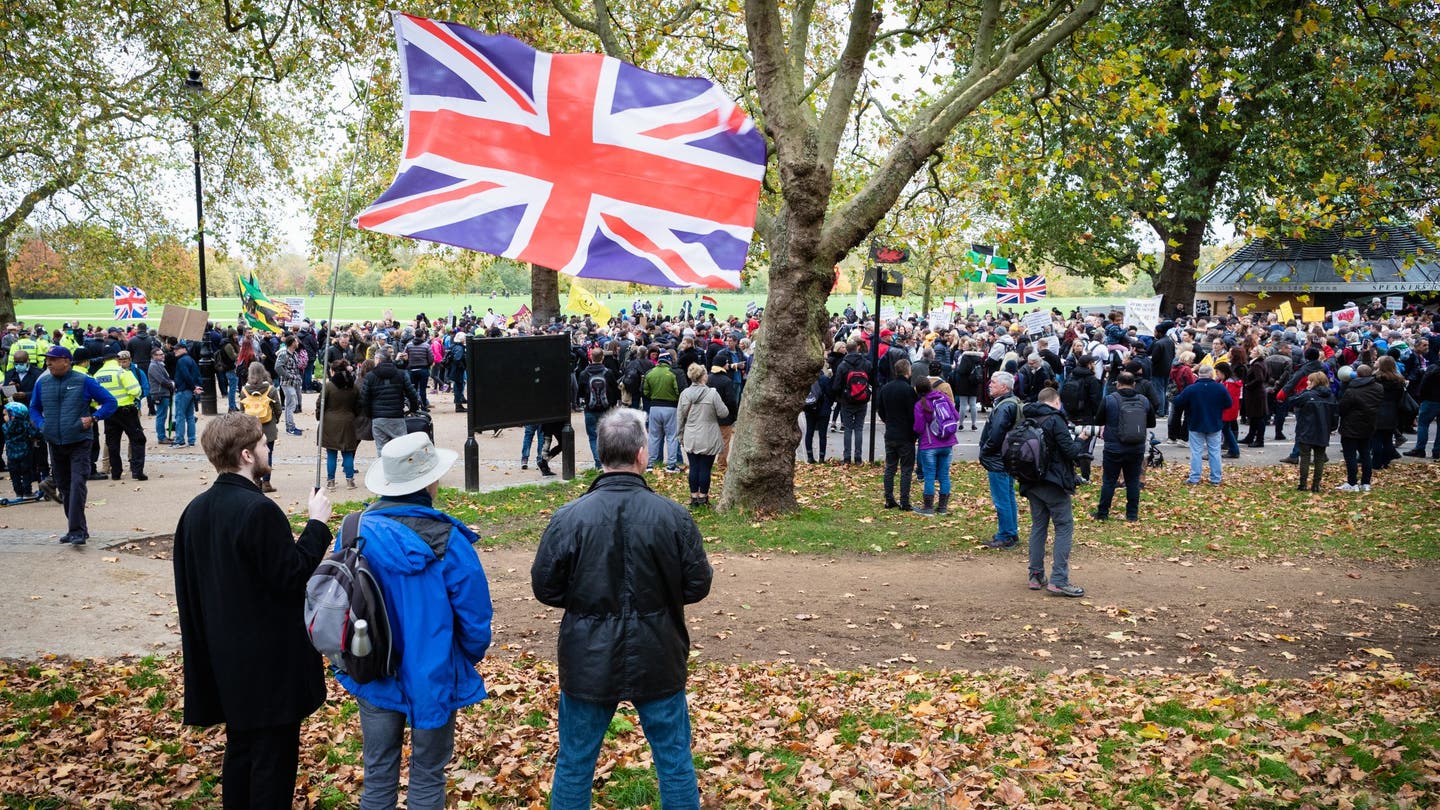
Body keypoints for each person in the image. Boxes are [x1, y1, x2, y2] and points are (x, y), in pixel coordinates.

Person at [531, 409, 712, 810]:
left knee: (576, 762)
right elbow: (696, 583)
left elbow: (547, 586)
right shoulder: (674, 517)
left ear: (600, 452)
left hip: (590, 655)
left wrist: (585, 600)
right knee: (674, 760)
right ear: (642, 455)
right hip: (656, 651)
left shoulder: (570, 518)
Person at [172, 413, 333, 809]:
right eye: (262, 444)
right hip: (268, 666)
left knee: (241, 752)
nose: (266, 449)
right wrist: (317, 524)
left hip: (224, 659)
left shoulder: (195, 511)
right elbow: (291, 575)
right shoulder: (258, 510)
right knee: (271, 765)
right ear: (247, 454)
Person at [336, 431, 493, 810]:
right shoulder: (449, 540)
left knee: (377, 772)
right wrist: (461, 658)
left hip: (372, 664)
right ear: (429, 481)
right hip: (434, 673)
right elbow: (475, 619)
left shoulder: (354, 529)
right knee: (427, 773)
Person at [29, 345, 117, 545]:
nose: (48, 362)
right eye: (47, 359)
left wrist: (94, 418)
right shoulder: (42, 383)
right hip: (55, 442)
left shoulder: (84, 381)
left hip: (79, 441)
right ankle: (78, 530)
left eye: (53, 359)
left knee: (77, 484)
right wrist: (42, 425)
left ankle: (76, 531)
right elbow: (34, 408)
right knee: (65, 487)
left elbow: (110, 402)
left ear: (66, 361)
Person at [1019, 387, 1084, 596]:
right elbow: (1071, 451)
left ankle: (1035, 574)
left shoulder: (1028, 418)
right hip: (1053, 481)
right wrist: (1082, 438)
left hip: (1031, 480)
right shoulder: (1055, 420)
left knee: (1039, 525)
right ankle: (1059, 579)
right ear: (1056, 402)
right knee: (1064, 526)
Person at [1090, 371, 1155, 521]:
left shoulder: (1109, 400)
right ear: (1134, 385)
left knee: (1109, 481)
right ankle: (1132, 514)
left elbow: (1098, 420)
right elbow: (1151, 423)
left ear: (1118, 384)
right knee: (1133, 481)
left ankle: (1103, 513)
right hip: (1136, 447)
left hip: (1114, 447)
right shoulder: (1144, 401)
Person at [978, 371, 1022, 549]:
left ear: (1004, 387)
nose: (990, 384)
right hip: (1007, 457)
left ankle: (1006, 535)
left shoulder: (1004, 406)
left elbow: (996, 435)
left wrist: (985, 451)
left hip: (999, 459)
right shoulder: (1011, 402)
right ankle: (1010, 532)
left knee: (1002, 497)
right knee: (1008, 495)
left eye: (993, 382)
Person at [676, 363, 729, 507]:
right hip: (709, 434)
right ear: (702, 377)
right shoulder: (712, 393)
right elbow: (724, 412)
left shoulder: (685, 394)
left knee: (694, 467)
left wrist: (680, 434)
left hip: (691, 433)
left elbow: (680, 416)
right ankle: (703, 497)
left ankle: (693, 497)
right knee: (705, 467)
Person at [93, 349, 148, 481]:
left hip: (109, 412)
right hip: (126, 410)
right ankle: (137, 471)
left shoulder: (97, 375)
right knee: (138, 439)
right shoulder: (122, 372)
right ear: (116, 359)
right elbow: (135, 391)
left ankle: (116, 472)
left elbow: (94, 398)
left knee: (112, 443)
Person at [1171, 363, 1231, 485]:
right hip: (1214, 422)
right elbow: (1228, 403)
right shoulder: (1220, 388)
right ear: (1211, 374)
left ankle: (1194, 477)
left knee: (1196, 452)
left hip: (1195, 422)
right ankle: (1215, 478)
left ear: (1199, 375)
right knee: (1214, 452)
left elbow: (1177, 401)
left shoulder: (1191, 389)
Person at [911, 374, 958, 515]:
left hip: (929, 444)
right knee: (944, 475)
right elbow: (955, 415)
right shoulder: (943, 397)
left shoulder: (920, 405)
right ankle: (943, 507)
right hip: (947, 442)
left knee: (929, 475)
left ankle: (928, 507)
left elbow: (919, 428)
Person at [358, 348, 421, 454]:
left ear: (378, 359)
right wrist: (413, 408)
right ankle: (399, 469)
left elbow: (365, 399)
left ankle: (384, 469)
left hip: (378, 417)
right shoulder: (401, 374)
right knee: (401, 449)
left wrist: (370, 414)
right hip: (396, 416)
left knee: (381, 450)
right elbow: (412, 394)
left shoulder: (370, 376)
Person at [875, 357, 918, 511]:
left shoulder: (886, 388)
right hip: (905, 434)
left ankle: (889, 498)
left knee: (890, 467)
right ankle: (904, 501)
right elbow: (913, 414)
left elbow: (880, 409)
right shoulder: (908, 390)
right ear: (908, 371)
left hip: (891, 432)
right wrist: (914, 433)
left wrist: (888, 420)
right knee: (906, 469)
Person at [1287, 371, 1338, 492]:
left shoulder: (1307, 395)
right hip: (1323, 430)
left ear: (1314, 382)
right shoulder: (1331, 396)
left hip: (1306, 429)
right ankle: (1316, 484)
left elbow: (1292, 401)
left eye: (1309, 381)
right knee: (1319, 458)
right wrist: (1331, 428)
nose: (1307, 382)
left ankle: (1303, 483)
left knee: (1305, 457)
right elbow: (1335, 415)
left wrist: (1305, 391)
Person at [1338, 363, 1383, 492]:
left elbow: (1342, 408)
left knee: (1350, 455)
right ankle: (1365, 483)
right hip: (1369, 424)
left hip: (1351, 425)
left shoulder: (1352, 391)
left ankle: (1352, 482)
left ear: (1357, 375)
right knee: (1365, 454)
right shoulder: (1378, 388)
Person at [317, 360, 361, 490]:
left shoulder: (329, 386)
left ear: (333, 371)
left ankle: (331, 481)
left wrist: (319, 416)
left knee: (331, 453)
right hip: (348, 420)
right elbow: (358, 405)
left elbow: (320, 403)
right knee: (348, 453)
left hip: (330, 421)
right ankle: (350, 480)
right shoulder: (353, 386)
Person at [241, 364, 283, 493]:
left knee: (252, 454)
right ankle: (266, 482)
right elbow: (278, 409)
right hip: (268, 426)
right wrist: (275, 419)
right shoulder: (271, 389)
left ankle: (256, 480)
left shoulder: (244, 390)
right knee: (268, 453)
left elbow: (242, 410)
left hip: (251, 427)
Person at [830, 339, 872, 464]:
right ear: (857, 348)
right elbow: (873, 380)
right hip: (862, 399)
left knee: (848, 429)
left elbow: (836, 385)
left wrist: (840, 396)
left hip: (847, 400)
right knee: (859, 428)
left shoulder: (843, 365)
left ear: (847, 350)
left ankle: (847, 457)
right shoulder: (866, 363)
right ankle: (858, 457)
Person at [577, 348, 619, 470]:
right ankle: (607, 461)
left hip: (590, 409)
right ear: (602, 358)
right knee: (607, 436)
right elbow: (615, 391)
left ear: (591, 358)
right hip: (606, 409)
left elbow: (580, 393)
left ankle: (598, 462)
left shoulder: (584, 374)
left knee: (593, 436)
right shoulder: (608, 373)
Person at [642, 352, 681, 473]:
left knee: (654, 436)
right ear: (669, 361)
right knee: (672, 437)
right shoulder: (673, 373)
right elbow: (678, 390)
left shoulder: (650, 373)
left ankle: (650, 464)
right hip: (671, 408)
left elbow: (645, 391)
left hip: (654, 407)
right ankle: (671, 464)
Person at [172, 342, 202, 447]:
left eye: (177, 349)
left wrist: (193, 387)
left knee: (180, 416)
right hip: (190, 391)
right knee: (189, 416)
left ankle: (180, 440)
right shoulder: (190, 360)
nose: (174, 351)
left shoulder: (182, 360)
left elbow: (186, 375)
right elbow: (197, 375)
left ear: (184, 349)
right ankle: (191, 440)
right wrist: (195, 387)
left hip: (184, 390)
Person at [275, 335, 305, 437]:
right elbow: (278, 367)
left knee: (292, 404)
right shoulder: (284, 354)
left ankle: (291, 425)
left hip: (294, 382)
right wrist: (288, 376)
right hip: (287, 383)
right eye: (296, 341)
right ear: (292, 343)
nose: (298, 343)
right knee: (290, 405)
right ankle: (290, 427)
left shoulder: (294, 353)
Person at [148, 348, 176, 445]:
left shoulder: (159, 365)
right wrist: (172, 384)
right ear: (154, 356)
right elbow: (161, 380)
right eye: (159, 354)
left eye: (162, 354)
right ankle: (161, 437)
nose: (162, 356)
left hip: (163, 393)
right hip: (159, 394)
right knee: (161, 416)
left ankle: (163, 436)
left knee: (163, 416)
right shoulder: (153, 366)